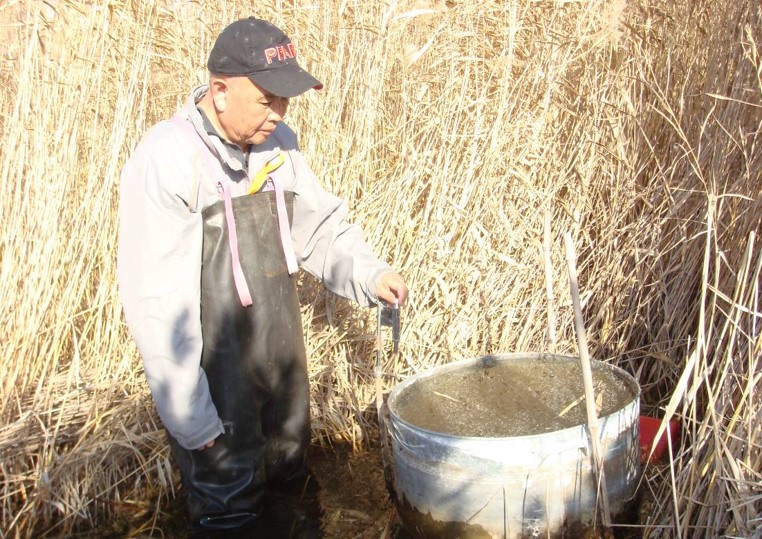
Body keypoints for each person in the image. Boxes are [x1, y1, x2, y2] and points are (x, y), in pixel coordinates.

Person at [116, 16, 408, 533]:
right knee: (231, 517)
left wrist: (371, 275)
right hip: (215, 391)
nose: (279, 113)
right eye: (267, 99)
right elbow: (157, 305)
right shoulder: (168, 159)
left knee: (295, 499)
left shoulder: (279, 143)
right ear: (220, 91)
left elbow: (319, 229)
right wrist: (192, 421)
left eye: (285, 100)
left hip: (282, 372)